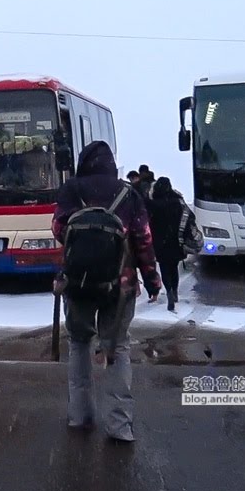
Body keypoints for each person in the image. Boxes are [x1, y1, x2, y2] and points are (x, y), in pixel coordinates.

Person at [52, 141, 161, 443]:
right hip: (121, 286)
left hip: (78, 282)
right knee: (118, 349)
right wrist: (152, 280)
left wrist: (88, 238)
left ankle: (80, 416)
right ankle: (119, 426)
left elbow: (59, 229)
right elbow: (144, 240)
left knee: (79, 345)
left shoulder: (72, 190)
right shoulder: (129, 194)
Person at [145, 176, 187, 311]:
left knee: (164, 267)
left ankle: (168, 290)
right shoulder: (177, 202)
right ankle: (174, 291)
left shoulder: (154, 204)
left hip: (160, 241)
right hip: (176, 240)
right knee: (174, 267)